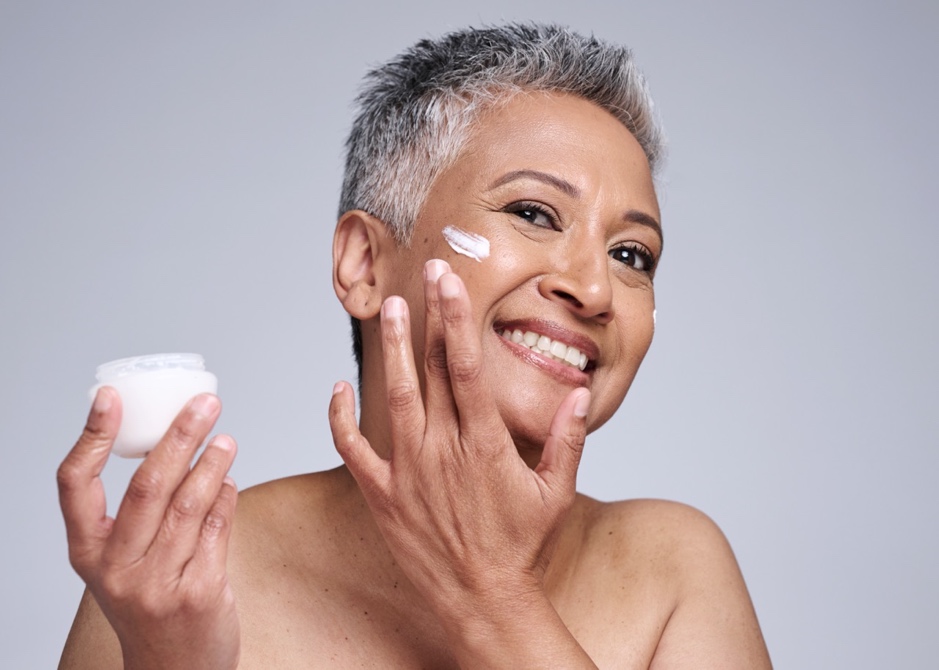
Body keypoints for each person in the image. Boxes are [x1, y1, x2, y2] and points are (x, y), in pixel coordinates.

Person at [57, 23, 772, 668]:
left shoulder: (673, 570)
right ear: (364, 265)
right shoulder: (176, 581)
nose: (594, 289)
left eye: (632, 255)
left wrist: (491, 595)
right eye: (532, 212)